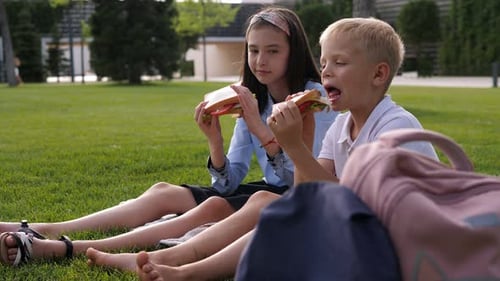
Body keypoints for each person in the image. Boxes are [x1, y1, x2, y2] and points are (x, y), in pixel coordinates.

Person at [0, 6, 336, 266]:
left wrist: (260, 127)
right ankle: (49, 227)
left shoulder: (313, 99)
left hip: (292, 193)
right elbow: (227, 182)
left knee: (213, 207)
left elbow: (303, 177)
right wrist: (214, 140)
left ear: (293, 52)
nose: (260, 61)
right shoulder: (252, 97)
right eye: (253, 50)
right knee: (163, 192)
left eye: (273, 51)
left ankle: (63, 248)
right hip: (264, 188)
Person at [129, 17, 439, 281]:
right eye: (324, 62)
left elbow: (356, 208)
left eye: (340, 63)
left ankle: (188, 270)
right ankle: (188, 271)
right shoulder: (342, 127)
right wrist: (302, 135)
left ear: (378, 74)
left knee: (278, 214)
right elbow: (305, 197)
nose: (326, 72)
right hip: (361, 234)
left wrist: (291, 146)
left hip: (401, 248)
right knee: (279, 213)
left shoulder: (395, 128)